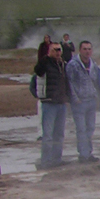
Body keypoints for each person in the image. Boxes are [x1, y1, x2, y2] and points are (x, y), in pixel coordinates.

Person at [33, 40, 71, 169]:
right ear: (50, 51)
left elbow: (66, 82)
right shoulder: (44, 63)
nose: (58, 52)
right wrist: (46, 57)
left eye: (59, 50)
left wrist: (68, 97)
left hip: (61, 102)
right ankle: (45, 161)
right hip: (48, 102)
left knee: (59, 134)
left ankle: (57, 159)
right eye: (55, 50)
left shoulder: (63, 64)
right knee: (48, 135)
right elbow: (37, 71)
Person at [64, 39, 100, 162]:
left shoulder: (93, 64)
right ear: (80, 50)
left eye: (89, 49)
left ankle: (88, 153)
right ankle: (83, 154)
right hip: (79, 102)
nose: (87, 51)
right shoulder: (72, 65)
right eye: (85, 49)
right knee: (81, 129)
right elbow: (70, 83)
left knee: (90, 128)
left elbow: (95, 81)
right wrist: (75, 98)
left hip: (91, 100)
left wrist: (96, 95)